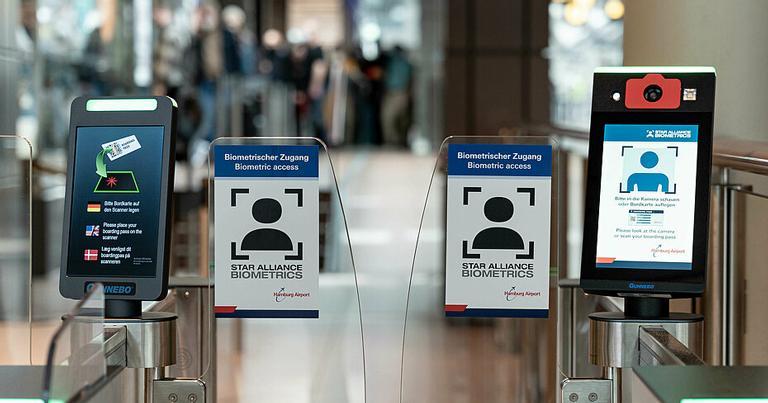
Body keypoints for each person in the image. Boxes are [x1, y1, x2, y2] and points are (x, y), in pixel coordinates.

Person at [381, 45, 413, 147]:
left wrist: (408, 95)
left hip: (401, 93)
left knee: (401, 119)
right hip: (390, 93)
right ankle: (391, 141)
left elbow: (410, 81)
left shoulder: (406, 65)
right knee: (387, 118)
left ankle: (399, 141)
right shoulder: (390, 63)